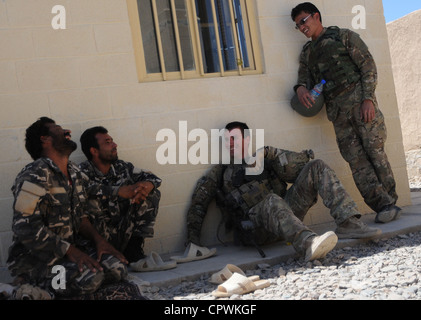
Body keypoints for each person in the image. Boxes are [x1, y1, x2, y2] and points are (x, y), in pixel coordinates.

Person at [186, 121, 381, 262]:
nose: (230, 144)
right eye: (227, 140)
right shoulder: (220, 171)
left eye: (234, 139)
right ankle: (308, 244)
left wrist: (270, 152)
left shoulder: (264, 159)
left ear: (246, 139)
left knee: (317, 166)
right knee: (271, 200)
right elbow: (198, 203)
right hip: (255, 229)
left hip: (287, 218)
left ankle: (348, 223)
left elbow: (301, 166)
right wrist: (193, 242)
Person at [291, 2, 401, 224]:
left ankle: (392, 200)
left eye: (303, 21)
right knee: (356, 162)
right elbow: (303, 78)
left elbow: (368, 67)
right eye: (297, 26)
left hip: (361, 105)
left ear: (316, 16)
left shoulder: (343, 36)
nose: (302, 27)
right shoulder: (308, 53)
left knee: (376, 154)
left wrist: (368, 99)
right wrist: (300, 88)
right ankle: (383, 206)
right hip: (338, 113)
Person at [8, 117, 130, 298]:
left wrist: (99, 241)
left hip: (68, 253)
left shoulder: (74, 172)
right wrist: (70, 251)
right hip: (39, 260)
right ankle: (26, 285)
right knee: (91, 278)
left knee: (118, 268)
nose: (68, 133)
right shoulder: (34, 174)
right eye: (59, 129)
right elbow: (24, 227)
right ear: (45, 139)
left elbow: (83, 212)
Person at [79, 126, 162, 265]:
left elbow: (152, 177)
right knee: (88, 201)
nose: (114, 145)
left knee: (150, 193)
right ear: (94, 151)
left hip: (123, 231)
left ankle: (133, 250)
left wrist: (147, 185)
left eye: (112, 141)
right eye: (107, 142)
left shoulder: (122, 167)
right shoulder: (80, 172)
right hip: (98, 239)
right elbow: (81, 191)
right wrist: (118, 191)